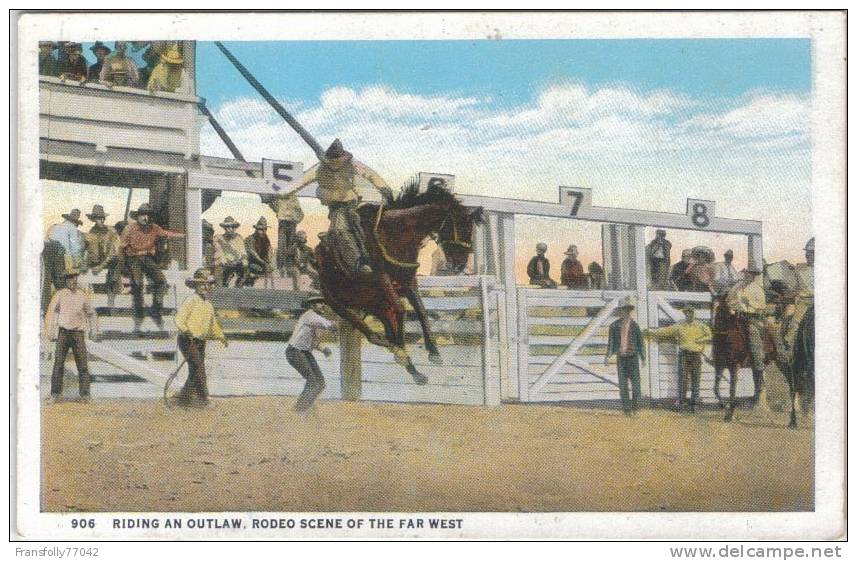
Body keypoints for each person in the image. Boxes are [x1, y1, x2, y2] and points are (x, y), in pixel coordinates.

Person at [288, 139, 395, 274]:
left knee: (361, 225)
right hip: (335, 206)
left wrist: (383, 187)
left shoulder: (353, 165)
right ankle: (358, 262)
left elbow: (371, 174)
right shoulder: (318, 169)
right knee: (339, 230)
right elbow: (300, 181)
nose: (335, 165)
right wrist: (282, 193)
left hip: (351, 202)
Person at [120, 203, 185, 331]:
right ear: (137, 216)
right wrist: (123, 265)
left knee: (161, 281)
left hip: (148, 258)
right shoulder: (130, 228)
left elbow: (167, 234)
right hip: (133, 258)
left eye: (148, 215)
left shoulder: (154, 228)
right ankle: (139, 312)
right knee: (137, 283)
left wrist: (184, 235)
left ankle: (156, 308)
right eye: (143, 215)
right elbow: (121, 247)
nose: (145, 218)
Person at [172, 268, 228, 407]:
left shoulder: (208, 305)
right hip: (187, 340)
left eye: (208, 284)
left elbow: (213, 324)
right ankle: (204, 397)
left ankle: (185, 397)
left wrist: (221, 336)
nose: (205, 287)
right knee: (198, 366)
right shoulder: (190, 301)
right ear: (196, 285)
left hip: (200, 342)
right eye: (202, 284)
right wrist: (187, 330)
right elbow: (179, 319)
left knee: (195, 368)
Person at [44, 267, 99, 402]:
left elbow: (91, 313)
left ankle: (85, 395)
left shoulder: (82, 295)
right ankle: (55, 394)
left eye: (75, 277)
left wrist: (94, 329)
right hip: (63, 333)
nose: (73, 280)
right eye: (70, 277)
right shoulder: (60, 294)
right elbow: (51, 312)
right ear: (66, 280)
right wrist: (49, 331)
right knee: (58, 364)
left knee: (83, 365)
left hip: (78, 334)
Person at [646, 305, 712, 413]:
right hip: (684, 355)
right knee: (683, 379)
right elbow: (666, 331)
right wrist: (651, 332)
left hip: (696, 355)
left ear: (693, 313)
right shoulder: (680, 325)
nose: (688, 314)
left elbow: (709, 335)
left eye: (690, 312)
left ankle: (694, 404)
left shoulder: (700, 325)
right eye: (686, 312)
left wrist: (700, 340)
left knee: (695, 379)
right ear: (684, 314)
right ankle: (681, 403)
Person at [726, 264, 768, 406]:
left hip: (751, 318)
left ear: (755, 275)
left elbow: (761, 306)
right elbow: (729, 300)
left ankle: (758, 363)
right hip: (736, 317)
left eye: (752, 274)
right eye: (747, 273)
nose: (749, 275)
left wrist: (748, 303)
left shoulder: (757, 289)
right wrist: (732, 307)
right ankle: (719, 356)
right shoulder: (737, 287)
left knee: (753, 335)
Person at [286, 296, 337, 412]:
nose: (323, 304)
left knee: (320, 383)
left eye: (323, 302)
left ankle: (304, 406)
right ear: (312, 305)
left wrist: (322, 349)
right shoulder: (311, 316)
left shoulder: (314, 319)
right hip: (295, 352)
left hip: (302, 352)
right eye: (319, 303)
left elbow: (310, 341)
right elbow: (330, 325)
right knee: (314, 382)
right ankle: (300, 409)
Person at [605, 297, 646, 416]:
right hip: (621, 358)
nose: (626, 312)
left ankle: (636, 408)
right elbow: (611, 342)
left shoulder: (635, 325)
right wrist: (608, 355)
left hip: (632, 358)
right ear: (620, 311)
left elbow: (640, 342)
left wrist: (643, 357)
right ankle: (627, 409)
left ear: (630, 311)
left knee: (636, 385)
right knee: (623, 386)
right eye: (624, 310)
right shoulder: (614, 326)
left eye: (628, 310)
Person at [42, 208, 86, 313]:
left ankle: (46, 310)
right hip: (58, 253)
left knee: (46, 283)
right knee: (61, 283)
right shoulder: (72, 229)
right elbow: (75, 250)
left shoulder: (54, 227)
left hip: (45, 252)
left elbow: (46, 239)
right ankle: (63, 310)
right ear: (75, 222)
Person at [84, 205, 121, 307]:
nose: (98, 221)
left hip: (110, 262)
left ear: (104, 219)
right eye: (96, 218)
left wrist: (101, 266)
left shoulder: (112, 231)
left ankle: (111, 301)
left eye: (100, 218)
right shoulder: (92, 231)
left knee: (115, 265)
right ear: (93, 219)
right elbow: (91, 251)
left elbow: (113, 253)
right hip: (97, 263)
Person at [262, 191, 304, 276]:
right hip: (286, 222)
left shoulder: (292, 197)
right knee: (283, 245)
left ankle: (287, 267)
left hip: (290, 222)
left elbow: (300, 214)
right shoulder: (282, 196)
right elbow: (273, 204)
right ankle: (282, 267)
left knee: (288, 245)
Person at [213, 216, 248, 287]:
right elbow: (219, 253)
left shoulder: (238, 238)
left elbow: (243, 252)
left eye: (232, 227)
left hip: (236, 262)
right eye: (228, 227)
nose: (230, 229)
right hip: (224, 263)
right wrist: (226, 261)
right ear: (224, 228)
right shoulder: (218, 238)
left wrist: (243, 262)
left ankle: (238, 287)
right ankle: (222, 286)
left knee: (245, 270)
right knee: (220, 271)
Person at [244, 217, 275, 287]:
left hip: (262, 263)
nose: (263, 231)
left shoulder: (265, 239)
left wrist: (268, 262)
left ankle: (268, 290)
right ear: (256, 229)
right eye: (261, 229)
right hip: (250, 263)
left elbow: (270, 250)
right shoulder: (250, 239)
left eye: (265, 229)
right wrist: (264, 263)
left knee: (269, 268)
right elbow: (253, 254)